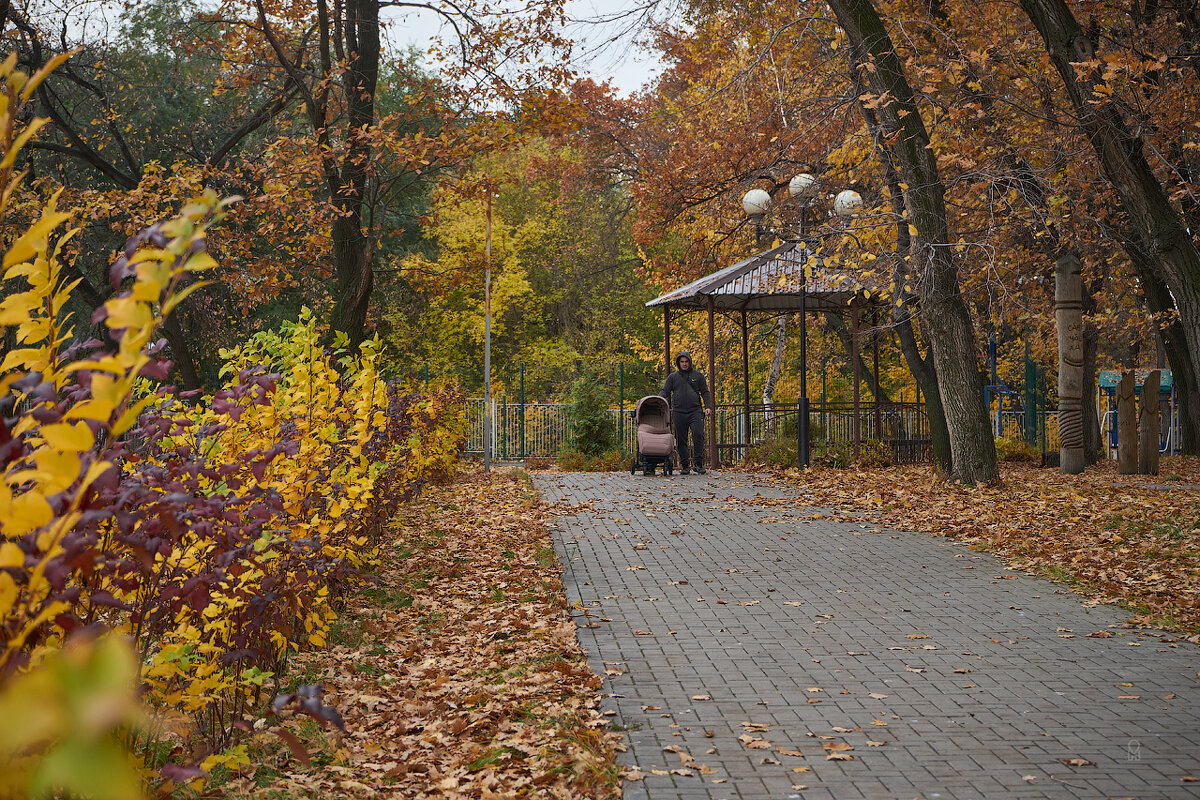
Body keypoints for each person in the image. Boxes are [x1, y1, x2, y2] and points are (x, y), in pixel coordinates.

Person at [660, 351, 713, 474]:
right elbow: (665, 391)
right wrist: (657, 400)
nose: (684, 364)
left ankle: (698, 464)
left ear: (690, 362)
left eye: (686, 361)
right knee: (681, 439)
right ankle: (685, 466)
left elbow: (705, 392)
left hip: (695, 411)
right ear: (678, 363)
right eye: (682, 362)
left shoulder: (698, 376)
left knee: (698, 435)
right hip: (679, 412)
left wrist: (708, 406)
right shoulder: (673, 377)